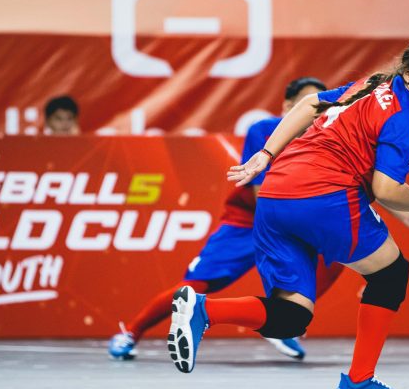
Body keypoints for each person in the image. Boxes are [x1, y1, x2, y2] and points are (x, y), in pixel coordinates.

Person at [168, 37, 409, 389]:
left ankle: (205, 309)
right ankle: (359, 382)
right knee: (390, 273)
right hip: (326, 196)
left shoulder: (372, 84)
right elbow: (385, 188)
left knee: (291, 317)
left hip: (275, 193)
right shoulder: (405, 117)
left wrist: (266, 153)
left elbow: (309, 104)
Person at [109, 77, 345, 361]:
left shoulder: (326, 137)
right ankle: (131, 332)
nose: (316, 109)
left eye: (322, 103)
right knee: (194, 287)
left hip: (293, 223)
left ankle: (283, 319)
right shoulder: (264, 130)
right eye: (309, 101)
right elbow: (262, 195)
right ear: (288, 106)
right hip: (247, 223)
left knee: (338, 253)